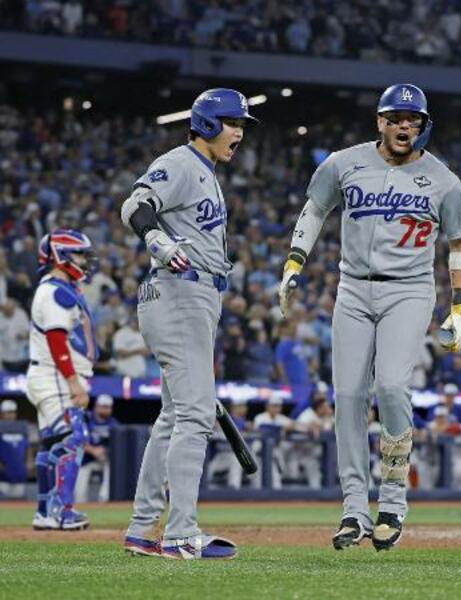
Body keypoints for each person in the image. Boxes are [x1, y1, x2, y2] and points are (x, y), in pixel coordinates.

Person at [279, 83, 461, 552]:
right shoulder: (343, 163)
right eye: (396, 118)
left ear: (423, 124)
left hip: (409, 290)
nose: (405, 126)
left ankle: (392, 502)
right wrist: (294, 260)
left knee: (391, 386)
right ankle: (353, 508)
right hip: (352, 287)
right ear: (380, 122)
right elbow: (315, 208)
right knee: (348, 395)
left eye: (413, 119)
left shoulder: (444, 179)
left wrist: (460, 308)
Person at [121, 88, 258, 560]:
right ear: (207, 124)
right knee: (196, 415)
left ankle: (143, 529)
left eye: (242, 125)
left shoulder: (206, 171)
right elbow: (135, 205)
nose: (239, 132)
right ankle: (181, 533)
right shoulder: (181, 162)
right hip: (180, 292)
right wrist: (155, 239)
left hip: (195, 295)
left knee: (174, 417)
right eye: (232, 123)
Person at [26, 229, 98, 530]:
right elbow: (56, 340)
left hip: (47, 374)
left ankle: (45, 512)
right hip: (55, 375)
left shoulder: (59, 288)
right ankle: (61, 511)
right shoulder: (55, 291)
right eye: (79, 254)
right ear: (61, 256)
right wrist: (73, 382)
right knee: (73, 437)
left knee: (51, 443)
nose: (84, 260)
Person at [75, 394, 119, 502]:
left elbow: (118, 445)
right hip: (85, 460)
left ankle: (104, 499)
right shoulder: (86, 419)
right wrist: (92, 450)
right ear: (96, 406)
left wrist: (105, 450)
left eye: (108, 407)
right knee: (79, 496)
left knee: (113, 465)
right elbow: (77, 441)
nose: (105, 410)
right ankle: (80, 503)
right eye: (103, 406)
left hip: (103, 459)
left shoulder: (113, 423)